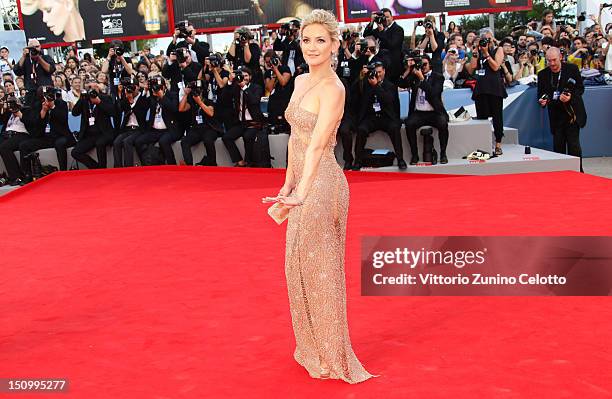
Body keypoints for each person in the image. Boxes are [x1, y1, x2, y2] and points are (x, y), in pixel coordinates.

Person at [262, 9, 378, 384]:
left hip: (324, 184)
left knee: (323, 271)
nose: (312, 47)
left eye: (321, 40)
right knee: (296, 267)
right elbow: (296, 143)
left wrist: (302, 191)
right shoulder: (298, 83)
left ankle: (333, 355)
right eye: (307, 40)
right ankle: (311, 347)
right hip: (301, 184)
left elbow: (315, 148)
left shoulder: (335, 89)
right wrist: (286, 186)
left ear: (334, 45)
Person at [537, 47, 586, 172]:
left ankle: (578, 172)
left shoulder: (572, 69)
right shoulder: (542, 74)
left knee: (574, 146)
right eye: (549, 61)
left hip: (571, 114)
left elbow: (580, 88)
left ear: (560, 57)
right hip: (556, 115)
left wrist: (570, 97)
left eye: (554, 60)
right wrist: (543, 101)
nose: (552, 63)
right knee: (558, 147)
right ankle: (561, 173)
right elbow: (541, 95)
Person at [465, 29, 507, 156]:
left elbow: (495, 67)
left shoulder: (498, 50)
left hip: (495, 88)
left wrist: (487, 53)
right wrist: (475, 53)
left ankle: (498, 144)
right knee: (481, 117)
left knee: (497, 117)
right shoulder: (478, 51)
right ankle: (483, 144)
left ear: (492, 39)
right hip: (481, 88)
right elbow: (472, 68)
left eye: (488, 39)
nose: (486, 42)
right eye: (484, 40)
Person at [403, 54, 449, 165]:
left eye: (425, 64)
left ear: (430, 65)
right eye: (420, 64)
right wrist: (409, 70)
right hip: (419, 112)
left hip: (434, 112)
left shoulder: (438, 77)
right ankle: (414, 155)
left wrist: (422, 79)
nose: (422, 67)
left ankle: (443, 153)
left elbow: (433, 93)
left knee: (443, 124)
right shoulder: (414, 76)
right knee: (409, 124)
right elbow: (402, 84)